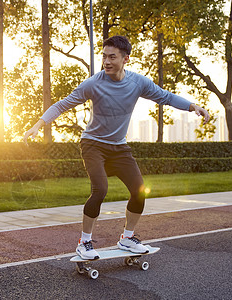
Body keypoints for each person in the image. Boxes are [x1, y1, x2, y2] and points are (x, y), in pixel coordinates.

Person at [23, 35, 210, 260]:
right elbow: (63, 104)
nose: (106, 61)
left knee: (139, 190)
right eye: (104, 56)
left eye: (112, 57)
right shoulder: (93, 84)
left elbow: (165, 97)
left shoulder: (138, 82)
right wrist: (38, 124)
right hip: (93, 144)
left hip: (119, 147)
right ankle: (84, 242)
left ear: (125, 59)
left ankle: (127, 238)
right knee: (100, 189)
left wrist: (193, 106)